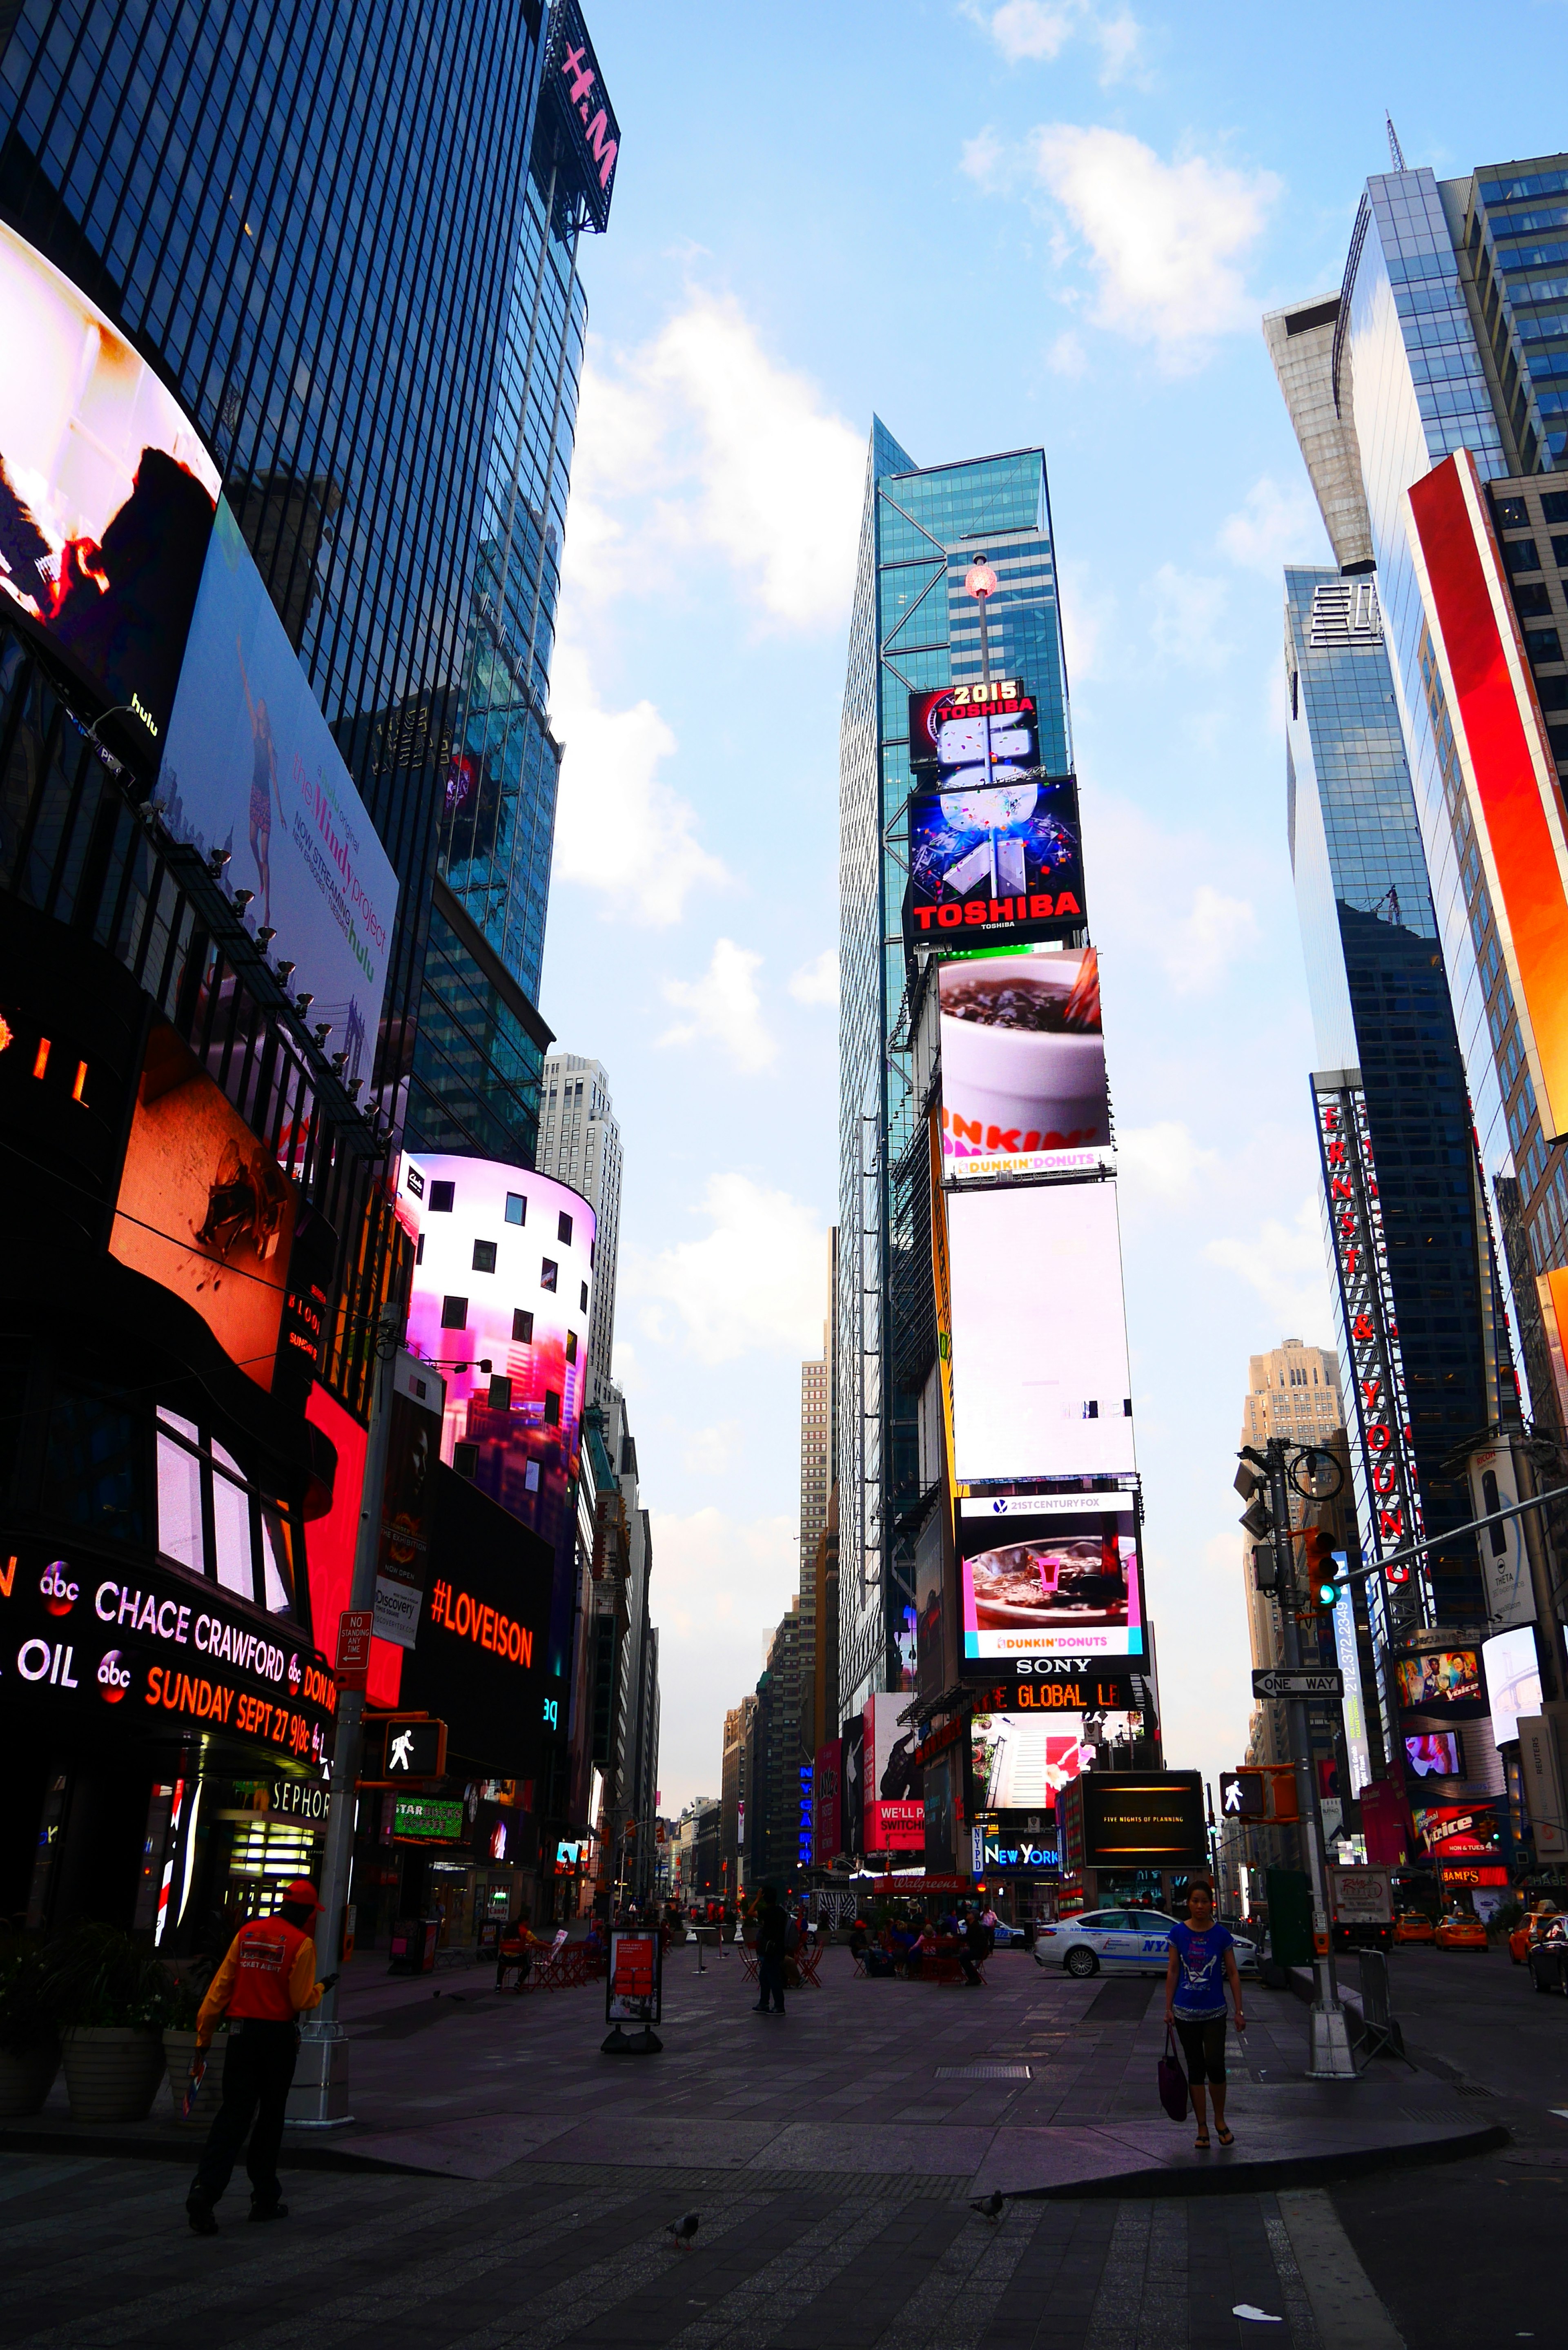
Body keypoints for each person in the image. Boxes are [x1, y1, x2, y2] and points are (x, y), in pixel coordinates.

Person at [186, 1878, 338, 2233]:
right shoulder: (302, 1944)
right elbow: (300, 2001)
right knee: (270, 2117)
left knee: (233, 2116)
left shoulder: (247, 1934)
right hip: (276, 2041)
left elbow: (220, 1987)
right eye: (311, 1914)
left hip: (241, 2036)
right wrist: (322, 1987)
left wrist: (204, 2036)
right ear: (303, 1911)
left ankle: (204, 2191)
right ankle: (264, 2198)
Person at [1163, 1878, 1244, 2151]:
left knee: (1216, 2065)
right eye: (1195, 1900)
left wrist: (1239, 2010)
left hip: (1215, 2012)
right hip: (1185, 2012)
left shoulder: (1221, 1935)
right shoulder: (1178, 1933)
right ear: (1188, 1903)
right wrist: (1168, 2007)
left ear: (1212, 1903)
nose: (1200, 1906)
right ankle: (1202, 2126)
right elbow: (1173, 1970)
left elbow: (1233, 1972)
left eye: (1204, 1901)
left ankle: (1220, 2120)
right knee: (1196, 2068)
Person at [755, 1884, 787, 2014]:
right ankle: (764, 2003)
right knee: (765, 1976)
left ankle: (779, 2005)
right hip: (779, 1948)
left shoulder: (767, 1912)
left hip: (770, 1950)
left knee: (773, 1978)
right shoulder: (781, 1911)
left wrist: (757, 1900)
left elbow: (750, 1912)